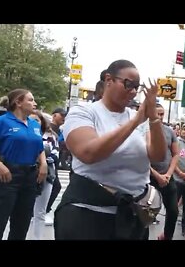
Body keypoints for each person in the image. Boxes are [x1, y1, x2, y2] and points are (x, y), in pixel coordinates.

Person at [54, 59, 167, 240]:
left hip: (132, 214)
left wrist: (153, 118)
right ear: (109, 80)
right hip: (87, 213)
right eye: (128, 84)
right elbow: (88, 153)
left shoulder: (136, 117)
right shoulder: (84, 112)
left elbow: (158, 155)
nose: (132, 91)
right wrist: (134, 122)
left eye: (136, 87)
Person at [0, 88, 47, 240]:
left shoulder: (34, 124)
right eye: (30, 100)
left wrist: (43, 163)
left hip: (29, 177)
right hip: (7, 175)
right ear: (18, 103)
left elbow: (38, 146)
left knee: (21, 224)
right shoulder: (1, 122)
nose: (34, 103)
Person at [150, 103, 180, 240]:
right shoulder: (144, 130)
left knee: (173, 211)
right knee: (145, 211)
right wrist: (157, 176)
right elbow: (141, 158)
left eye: (162, 114)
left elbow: (175, 154)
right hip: (149, 176)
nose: (160, 117)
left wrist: (168, 174)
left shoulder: (169, 131)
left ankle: (167, 236)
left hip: (168, 176)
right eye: (157, 114)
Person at [29, 110, 59, 240]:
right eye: (30, 120)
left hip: (46, 175)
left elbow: (54, 155)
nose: (33, 123)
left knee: (40, 211)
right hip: (26, 174)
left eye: (36, 120)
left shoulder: (51, 136)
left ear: (42, 121)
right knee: (22, 210)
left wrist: (42, 161)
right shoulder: (24, 134)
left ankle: (37, 238)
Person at [45, 107, 67, 222]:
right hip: (47, 162)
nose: (63, 118)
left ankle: (43, 211)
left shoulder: (61, 130)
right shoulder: (47, 128)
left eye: (65, 116)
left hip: (55, 162)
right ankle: (42, 211)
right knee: (54, 186)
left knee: (54, 186)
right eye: (61, 115)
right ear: (54, 115)